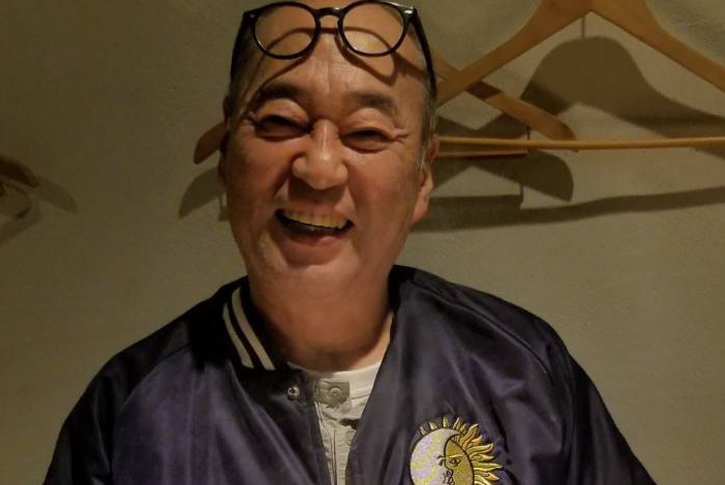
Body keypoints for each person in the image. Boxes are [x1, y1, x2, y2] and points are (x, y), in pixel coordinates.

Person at [44, 1, 656, 484]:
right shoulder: (129, 413)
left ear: (423, 176)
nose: (319, 168)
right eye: (280, 122)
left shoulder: (521, 372)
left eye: (366, 132)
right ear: (227, 155)